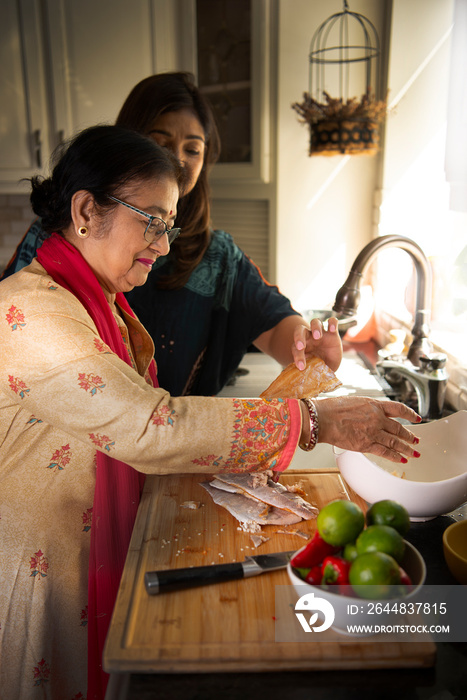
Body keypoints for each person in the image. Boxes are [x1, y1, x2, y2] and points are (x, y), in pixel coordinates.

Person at [0, 125, 421, 700]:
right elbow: (150, 425)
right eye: (151, 221)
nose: (164, 243)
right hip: (42, 582)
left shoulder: (93, 298)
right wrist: (315, 421)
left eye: (168, 226)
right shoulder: (30, 314)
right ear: (86, 210)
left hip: (87, 556)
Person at [1, 72, 341, 396]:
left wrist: (302, 344)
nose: (175, 160)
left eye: (192, 149)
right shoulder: (50, 261)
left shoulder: (219, 255)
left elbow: (274, 319)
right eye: (159, 142)